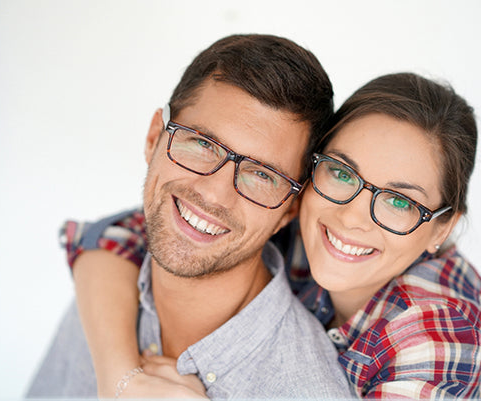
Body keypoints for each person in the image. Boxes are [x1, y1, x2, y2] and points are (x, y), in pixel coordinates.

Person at [60, 72, 480, 398]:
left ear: (442, 227)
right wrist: (119, 379)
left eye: (400, 202)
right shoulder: (293, 218)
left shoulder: (437, 336)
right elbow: (130, 234)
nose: (353, 217)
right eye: (341, 172)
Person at [26, 34, 356, 399]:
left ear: (289, 210)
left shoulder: (307, 390)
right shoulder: (109, 299)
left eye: (262, 175)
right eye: (202, 144)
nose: (214, 192)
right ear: (154, 137)